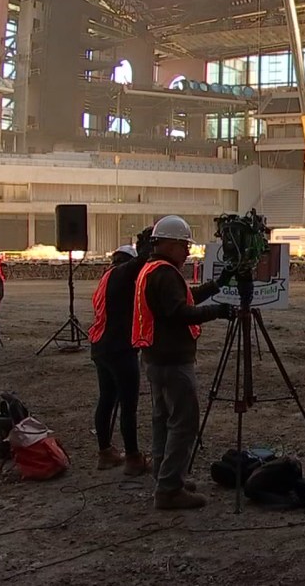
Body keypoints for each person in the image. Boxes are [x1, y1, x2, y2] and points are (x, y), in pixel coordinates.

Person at [133, 215, 233, 510]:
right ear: (170, 244)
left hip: (155, 358)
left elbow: (184, 299)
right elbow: (180, 312)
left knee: (163, 419)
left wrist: (215, 286)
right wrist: (218, 311)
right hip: (172, 360)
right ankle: (169, 489)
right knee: (183, 422)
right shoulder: (165, 273)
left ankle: (166, 477)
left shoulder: (153, 270)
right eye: (184, 246)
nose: (187, 252)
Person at [89, 237, 152, 475]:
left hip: (101, 347)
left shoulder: (105, 279)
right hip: (120, 349)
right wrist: (148, 249)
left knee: (106, 400)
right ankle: (133, 458)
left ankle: (105, 453)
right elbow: (136, 265)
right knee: (128, 405)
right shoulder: (122, 275)